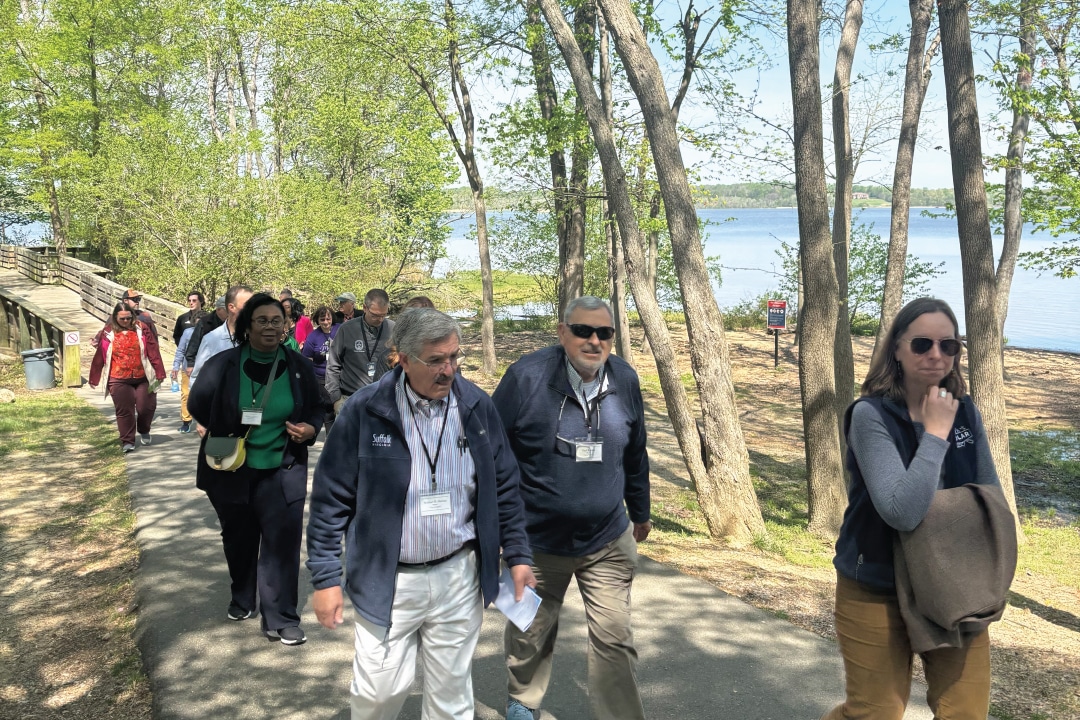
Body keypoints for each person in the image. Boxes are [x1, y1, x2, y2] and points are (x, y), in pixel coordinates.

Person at [306, 307, 536, 720]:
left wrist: (517, 556)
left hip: (458, 575)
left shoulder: (477, 407)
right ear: (402, 358)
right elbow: (330, 501)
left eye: (454, 357)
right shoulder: (365, 410)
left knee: (452, 700)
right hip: (388, 580)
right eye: (435, 360)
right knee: (379, 696)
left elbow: (505, 486)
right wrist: (325, 578)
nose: (449, 370)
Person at [821, 297, 1001, 720]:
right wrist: (935, 434)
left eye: (949, 345)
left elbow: (989, 496)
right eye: (921, 344)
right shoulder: (870, 415)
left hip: (952, 588)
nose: (936, 355)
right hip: (875, 582)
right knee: (874, 712)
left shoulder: (966, 412)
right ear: (897, 350)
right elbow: (900, 510)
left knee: (966, 712)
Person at [492, 295, 651, 720]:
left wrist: (641, 510)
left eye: (605, 333)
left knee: (615, 638)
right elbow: (490, 454)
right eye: (583, 330)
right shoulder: (526, 378)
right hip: (536, 541)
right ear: (563, 332)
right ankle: (522, 702)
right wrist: (498, 530)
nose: (594, 340)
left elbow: (636, 453)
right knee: (530, 629)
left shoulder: (625, 381)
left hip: (607, 539)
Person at [187, 293, 324, 646]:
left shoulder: (298, 366)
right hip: (232, 468)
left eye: (276, 320)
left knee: (281, 544)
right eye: (261, 320)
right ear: (247, 326)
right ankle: (243, 595)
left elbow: (316, 407)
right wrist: (225, 427)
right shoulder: (223, 364)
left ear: (285, 326)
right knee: (239, 540)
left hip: (283, 467)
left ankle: (281, 617)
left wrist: (309, 429)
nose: (270, 327)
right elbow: (198, 402)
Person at [89, 303, 167, 452]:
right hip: (118, 378)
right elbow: (100, 355)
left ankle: (144, 429)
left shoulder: (141, 328)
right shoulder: (108, 332)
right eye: (122, 319)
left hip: (142, 376)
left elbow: (153, 349)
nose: (125, 321)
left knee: (146, 407)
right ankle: (127, 441)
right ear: (115, 318)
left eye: (128, 318)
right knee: (125, 411)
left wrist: (159, 372)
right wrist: (94, 377)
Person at [325, 289, 395, 413]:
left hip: (383, 400)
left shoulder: (393, 329)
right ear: (364, 308)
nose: (379, 319)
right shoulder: (347, 329)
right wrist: (335, 398)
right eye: (375, 315)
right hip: (350, 399)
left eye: (383, 315)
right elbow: (333, 365)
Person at [190, 285, 253, 386]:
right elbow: (196, 379)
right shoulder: (212, 340)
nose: (253, 309)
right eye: (248, 305)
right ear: (231, 307)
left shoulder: (258, 338)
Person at [300, 305, 340, 434]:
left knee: (340, 407)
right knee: (327, 409)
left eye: (328, 319)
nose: (326, 322)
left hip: (340, 377)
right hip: (321, 378)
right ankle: (330, 439)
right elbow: (307, 359)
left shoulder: (340, 330)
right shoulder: (313, 336)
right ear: (317, 320)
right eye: (322, 319)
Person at [185, 296, 226, 370]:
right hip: (204, 364)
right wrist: (190, 364)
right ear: (219, 309)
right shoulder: (204, 322)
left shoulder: (233, 323)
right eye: (227, 311)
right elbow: (194, 343)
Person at [172, 325, 196, 432]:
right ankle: (186, 421)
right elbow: (180, 350)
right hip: (188, 369)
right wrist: (176, 366)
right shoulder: (187, 332)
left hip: (205, 369)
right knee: (186, 394)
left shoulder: (210, 333)